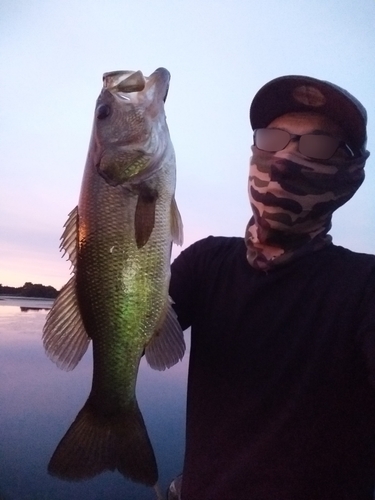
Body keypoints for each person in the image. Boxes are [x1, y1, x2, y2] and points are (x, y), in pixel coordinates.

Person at [167, 75, 375, 500]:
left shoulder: (366, 286)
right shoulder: (205, 263)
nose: (284, 158)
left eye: (316, 144)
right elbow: (124, 328)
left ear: (349, 172)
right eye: (272, 138)